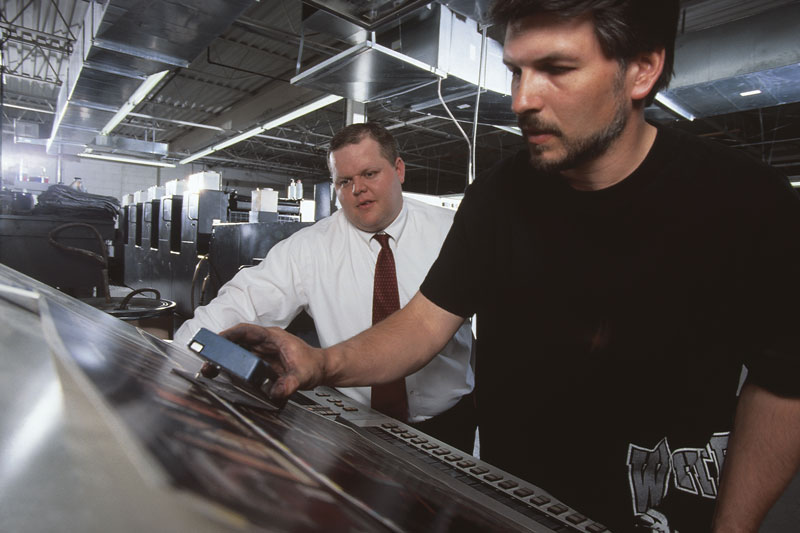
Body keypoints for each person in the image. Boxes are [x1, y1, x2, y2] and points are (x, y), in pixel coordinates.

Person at [219, 1, 800, 531]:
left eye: (557, 69)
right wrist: (322, 362)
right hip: (509, 507)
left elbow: (783, 384)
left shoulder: (747, 203)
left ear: (642, 71)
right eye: (517, 70)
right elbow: (425, 323)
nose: (522, 98)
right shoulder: (499, 198)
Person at [175, 122, 476, 453]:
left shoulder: (452, 233)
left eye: (370, 173)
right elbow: (239, 303)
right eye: (344, 181)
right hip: (357, 423)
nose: (357, 188)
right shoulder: (309, 249)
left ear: (399, 169)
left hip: (449, 423)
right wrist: (174, 360)